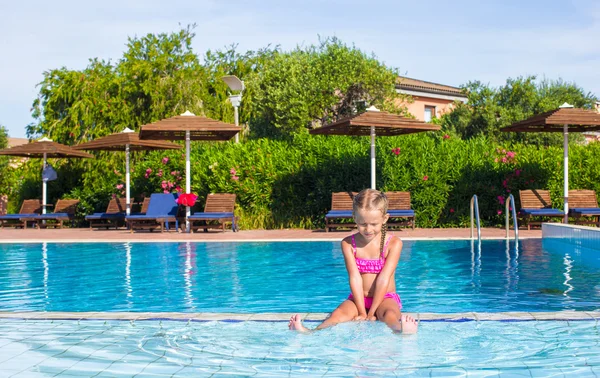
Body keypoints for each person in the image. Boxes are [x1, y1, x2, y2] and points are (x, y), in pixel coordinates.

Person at [289, 189, 418, 334]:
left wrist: (372, 313)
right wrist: (362, 312)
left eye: (374, 224)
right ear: (354, 217)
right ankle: (311, 331)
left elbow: (384, 279)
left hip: (385, 297)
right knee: (338, 314)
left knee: (389, 315)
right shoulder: (348, 244)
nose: (368, 229)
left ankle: (400, 329)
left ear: (385, 218)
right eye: (363, 224)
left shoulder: (393, 243)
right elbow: (354, 278)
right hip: (358, 298)